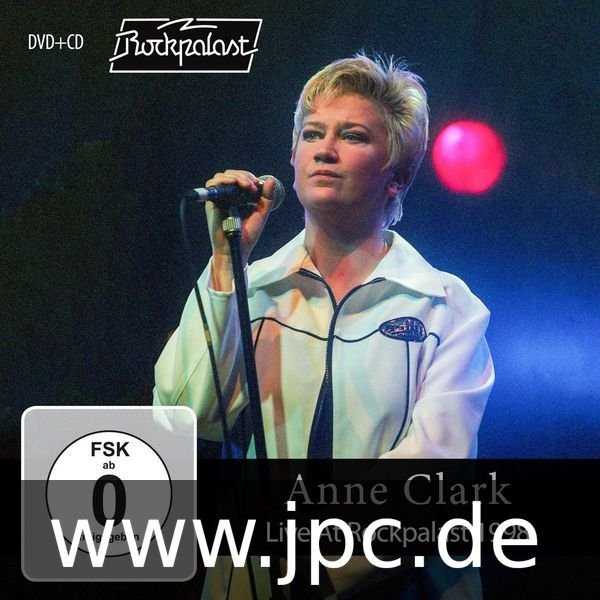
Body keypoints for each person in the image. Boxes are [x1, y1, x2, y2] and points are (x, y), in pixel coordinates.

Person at [153, 53, 494, 598]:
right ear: (293, 158)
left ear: (397, 175)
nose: (325, 149)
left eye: (353, 136)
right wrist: (225, 263)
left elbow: (434, 467)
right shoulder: (253, 289)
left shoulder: (445, 307)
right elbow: (184, 415)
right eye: (312, 133)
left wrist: (321, 564)